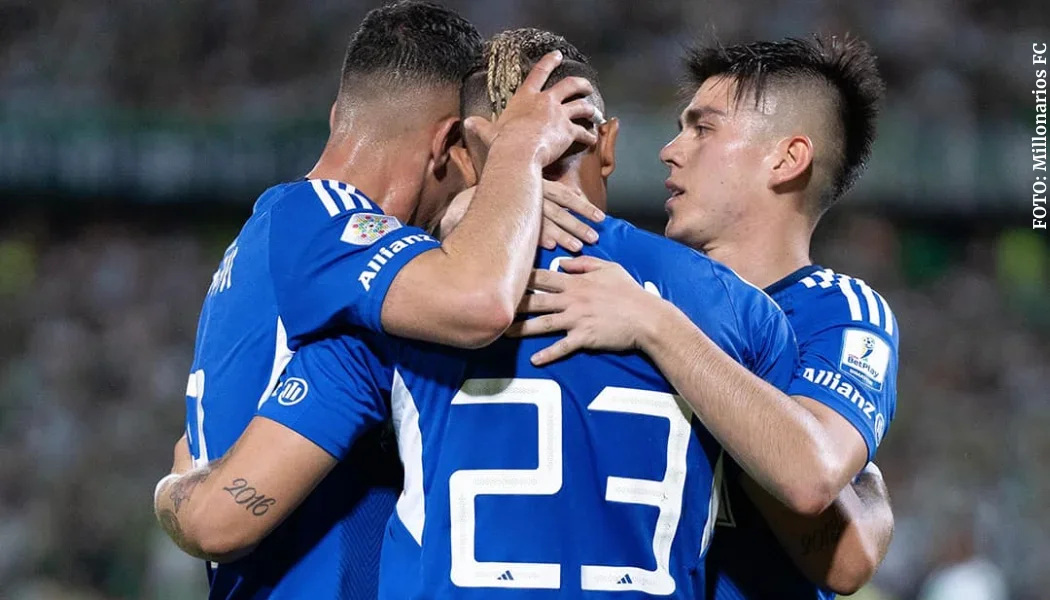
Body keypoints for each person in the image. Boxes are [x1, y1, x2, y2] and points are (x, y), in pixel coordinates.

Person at [154, 28, 811, 599]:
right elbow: (818, 507)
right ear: (606, 144)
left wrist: (180, 480)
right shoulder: (738, 311)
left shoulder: (397, 318)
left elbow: (221, 519)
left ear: (464, 153)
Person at [151, 3, 599, 598]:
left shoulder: (276, 239)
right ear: (448, 143)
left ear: (340, 115)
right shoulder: (321, 219)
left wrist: (177, 485)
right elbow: (479, 300)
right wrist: (516, 152)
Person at [512, 36, 899, 598]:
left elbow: (828, 515)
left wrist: (657, 326)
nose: (670, 150)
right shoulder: (625, 280)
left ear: (786, 159)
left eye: (703, 128)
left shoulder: (837, 313)